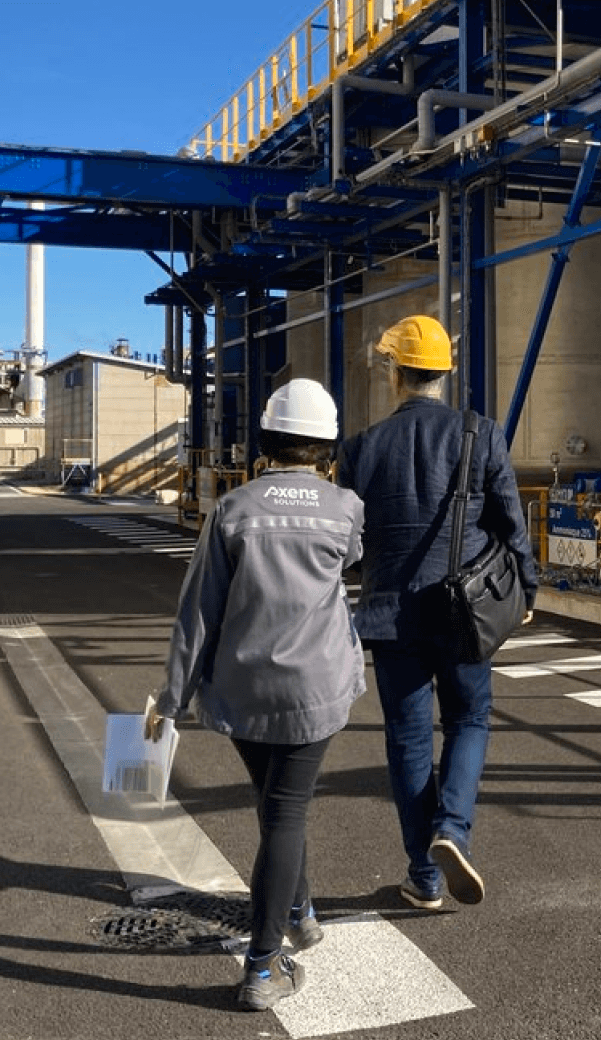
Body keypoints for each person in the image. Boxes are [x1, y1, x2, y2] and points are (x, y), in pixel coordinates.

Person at [147, 378, 364, 1013]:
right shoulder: (345, 508)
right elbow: (351, 560)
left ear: (266, 440)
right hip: (315, 688)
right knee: (285, 814)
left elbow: (199, 610)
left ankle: (298, 912)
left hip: (243, 691)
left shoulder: (233, 509)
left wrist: (171, 697)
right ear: (327, 447)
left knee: (277, 809)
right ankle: (264, 966)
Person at [337, 314, 538, 912]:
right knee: (469, 719)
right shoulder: (481, 434)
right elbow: (511, 525)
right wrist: (526, 593)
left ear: (395, 372)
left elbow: (351, 544)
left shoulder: (360, 449)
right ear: (444, 376)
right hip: (463, 613)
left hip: (390, 615)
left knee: (407, 741)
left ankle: (424, 877)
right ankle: (452, 828)